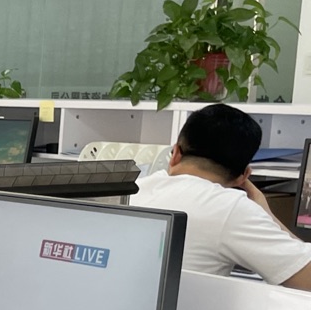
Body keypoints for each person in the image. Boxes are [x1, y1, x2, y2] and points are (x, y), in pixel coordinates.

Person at [133, 102, 311, 289]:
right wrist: (269, 216)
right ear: (243, 176)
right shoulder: (231, 208)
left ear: (175, 153)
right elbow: (305, 275)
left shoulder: (134, 189)